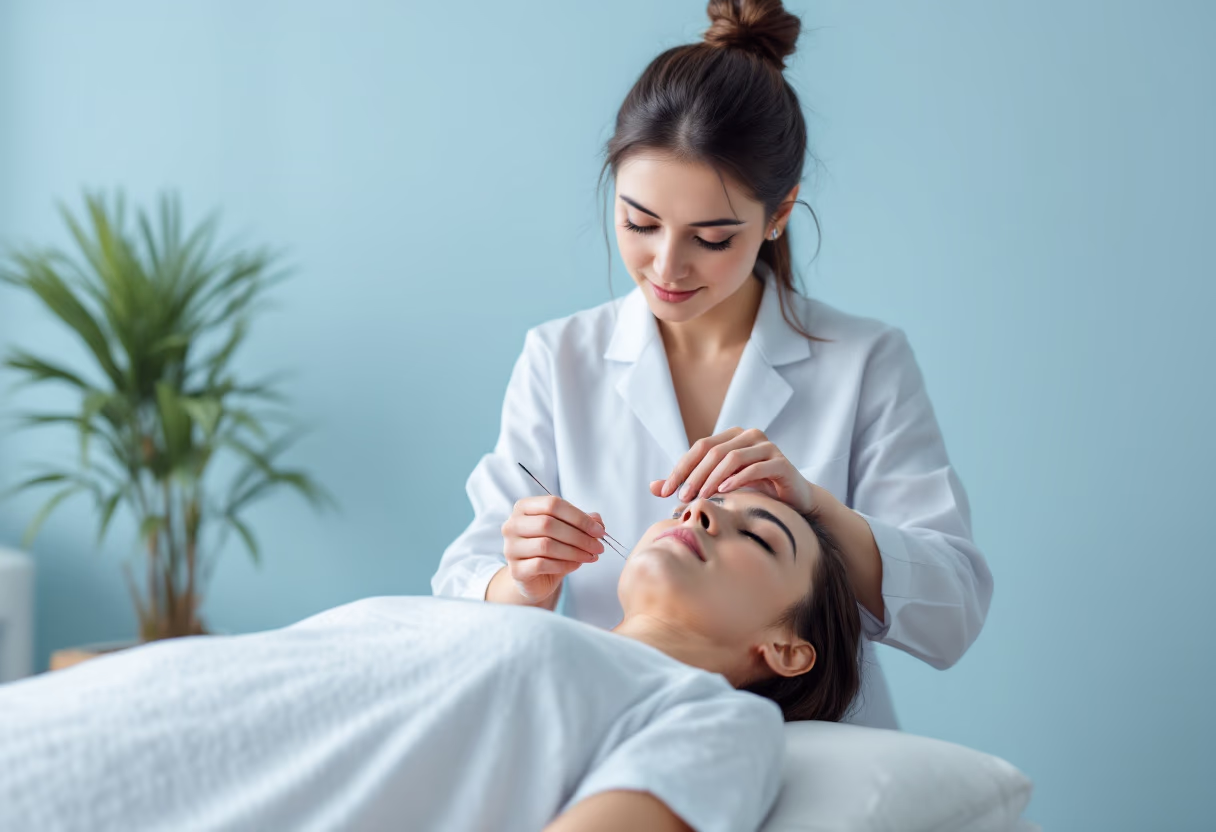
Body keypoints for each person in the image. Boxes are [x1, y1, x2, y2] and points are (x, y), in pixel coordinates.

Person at [431, 0, 993, 730]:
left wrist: (815, 507)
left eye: (712, 238)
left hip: (811, 749)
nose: (666, 267)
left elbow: (953, 613)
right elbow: (461, 589)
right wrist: (524, 581)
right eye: (639, 222)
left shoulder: (864, 360)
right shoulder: (559, 357)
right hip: (615, 724)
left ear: (779, 213)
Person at [0, 490, 860, 832]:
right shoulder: (512, 623)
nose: (705, 515)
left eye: (758, 536)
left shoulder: (713, 719)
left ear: (786, 648)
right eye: (707, 505)